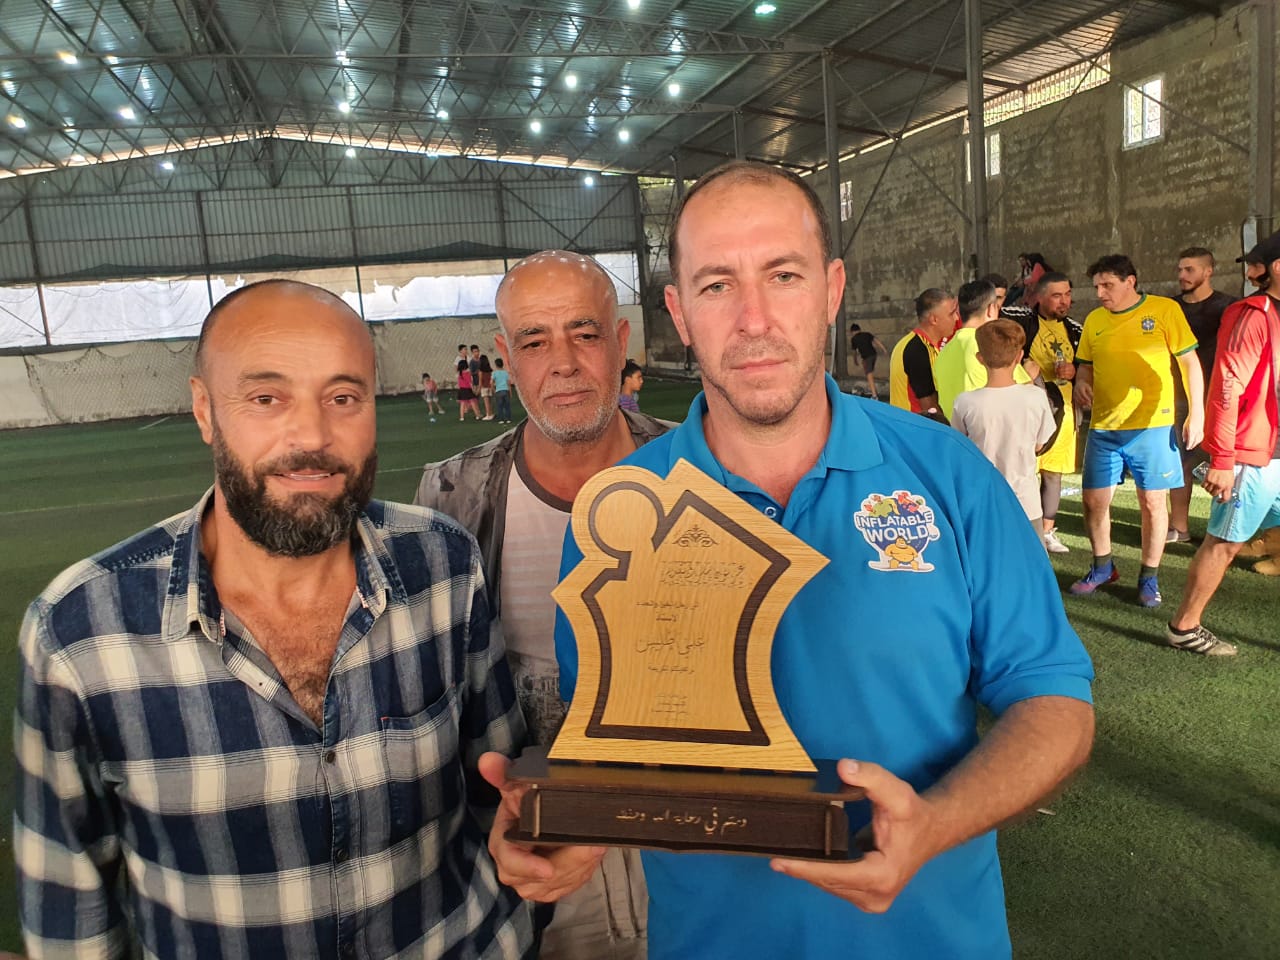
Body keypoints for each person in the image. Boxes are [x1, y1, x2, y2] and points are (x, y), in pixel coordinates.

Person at [484, 162, 1094, 960]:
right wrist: (572, 826)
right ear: (679, 312)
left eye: (783, 275)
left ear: (831, 289)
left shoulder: (949, 474)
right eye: (717, 285)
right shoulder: (623, 513)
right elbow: (621, 743)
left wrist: (936, 823)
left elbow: (1054, 699)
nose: (754, 319)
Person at [14, 280, 534, 958]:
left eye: (343, 398)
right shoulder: (79, 635)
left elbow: (503, 788)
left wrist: (532, 856)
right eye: (267, 398)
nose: (313, 435)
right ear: (205, 410)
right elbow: (68, 914)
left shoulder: (443, 564)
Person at [415, 251, 669, 960]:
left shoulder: (703, 474)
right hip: (538, 867)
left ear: (621, 342)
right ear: (506, 356)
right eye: (534, 341)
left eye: (585, 333)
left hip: (685, 852)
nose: (563, 363)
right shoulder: (452, 496)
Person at [1165, 230, 1280, 655]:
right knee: (1224, 542)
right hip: (1255, 454)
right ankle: (1184, 627)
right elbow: (1228, 386)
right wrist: (1223, 459)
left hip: (1271, 451)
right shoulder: (1252, 315)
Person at [1070, 254, 1203, 607]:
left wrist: (1197, 413)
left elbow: (1189, 363)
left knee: (1153, 503)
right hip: (1104, 427)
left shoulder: (1164, 310)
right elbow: (1085, 366)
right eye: (1096, 286)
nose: (1100, 293)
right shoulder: (1094, 320)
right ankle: (1103, 567)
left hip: (1153, 427)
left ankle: (1148, 577)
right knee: (1093, 502)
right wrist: (1081, 382)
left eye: (1107, 285)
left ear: (1130, 281)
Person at [952, 320, 1057, 538]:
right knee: (1030, 556)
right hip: (1025, 500)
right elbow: (1040, 444)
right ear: (1019, 357)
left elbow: (960, 448)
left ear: (980, 358)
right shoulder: (1036, 397)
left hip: (982, 499)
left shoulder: (965, 402)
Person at [1168, 247, 1237, 542]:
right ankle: (1179, 527)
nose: (1182, 275)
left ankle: (1227, 531)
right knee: (1180, 462)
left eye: (1190, 270)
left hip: (1221, 398)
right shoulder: (1170, 308)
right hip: (1178, 397)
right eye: (1180, 269)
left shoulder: (1229, 307)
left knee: (1224, 464)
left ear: (1208, 272)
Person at [1025, 272, 1082, 553]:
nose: (1064, 301)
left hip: (1065, 411)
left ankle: (1047, 531)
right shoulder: (1021, 320)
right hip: (1029, 410)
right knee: (1025, 472)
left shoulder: (1076, 330)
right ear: (1040, 297)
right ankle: (1024, 529)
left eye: (1068, 294)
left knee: (1053, 473)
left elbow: (1090, 366)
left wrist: (1076, 371)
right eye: (1057, 295)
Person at [933, 279, 1032, 421]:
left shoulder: (943, 353)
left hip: (956, 431)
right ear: (991, 309)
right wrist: (1030, 374)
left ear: (959, 312)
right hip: (991, 430)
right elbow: (1025, 395)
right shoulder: (991, 345)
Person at [888, 288, 957, 418]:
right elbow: (930, 408)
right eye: (951, 314)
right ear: (934, 319)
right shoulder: (917, 349)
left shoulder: (921, 344)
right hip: (914, 426)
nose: (956, 318)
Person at [848, 322, 887, 398]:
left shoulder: (854, 339)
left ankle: (874, 395)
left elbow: (854, 352)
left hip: (867, 357)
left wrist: (855, 360)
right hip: (874, 355)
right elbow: (876, 341)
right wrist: (883, 349)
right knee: (868, 371)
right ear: (859, 329)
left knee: (869, 374)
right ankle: (872, 389)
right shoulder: (867, 334)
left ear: (852, 332)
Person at [493, 355, 513, 423]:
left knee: (499, 406)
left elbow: (491, 382)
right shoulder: (506, 373)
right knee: (507, 406)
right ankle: (508, 419)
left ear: (496, 365)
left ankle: (501, 419)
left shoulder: (494, 373)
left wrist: (493, 390)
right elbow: (508, 383)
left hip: (498, 391)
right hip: (506, 390)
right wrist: (510, 392)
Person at [479, 353, 497, 421]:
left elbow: (480, 380)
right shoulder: (490, 370)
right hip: (489, 386)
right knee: (490, 401)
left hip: (484, 387)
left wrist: (479, 388)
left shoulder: (481, 371)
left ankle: (488, 415)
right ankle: (491, 413)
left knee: (486, 402)